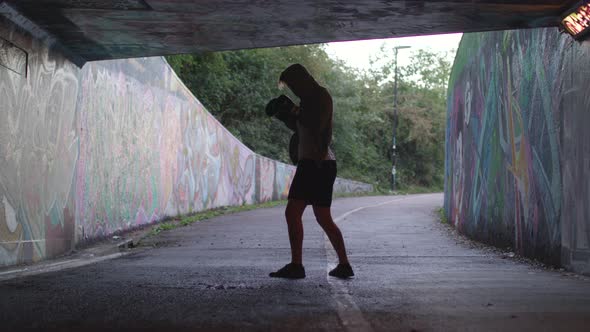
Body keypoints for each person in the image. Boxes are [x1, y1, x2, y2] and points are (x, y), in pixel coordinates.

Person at [269, 64, 354, 279]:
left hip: (317, 163)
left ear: (302, 80)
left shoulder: (320, 96)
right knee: (322, 217)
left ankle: (297, 266)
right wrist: (287, 115)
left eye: (293, 85)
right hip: (316, 164)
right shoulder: (308, 101)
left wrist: (295, 111)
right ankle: (344, 264)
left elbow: (316, 126)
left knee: (293, 212)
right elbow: (302, 128)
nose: (293, 90)